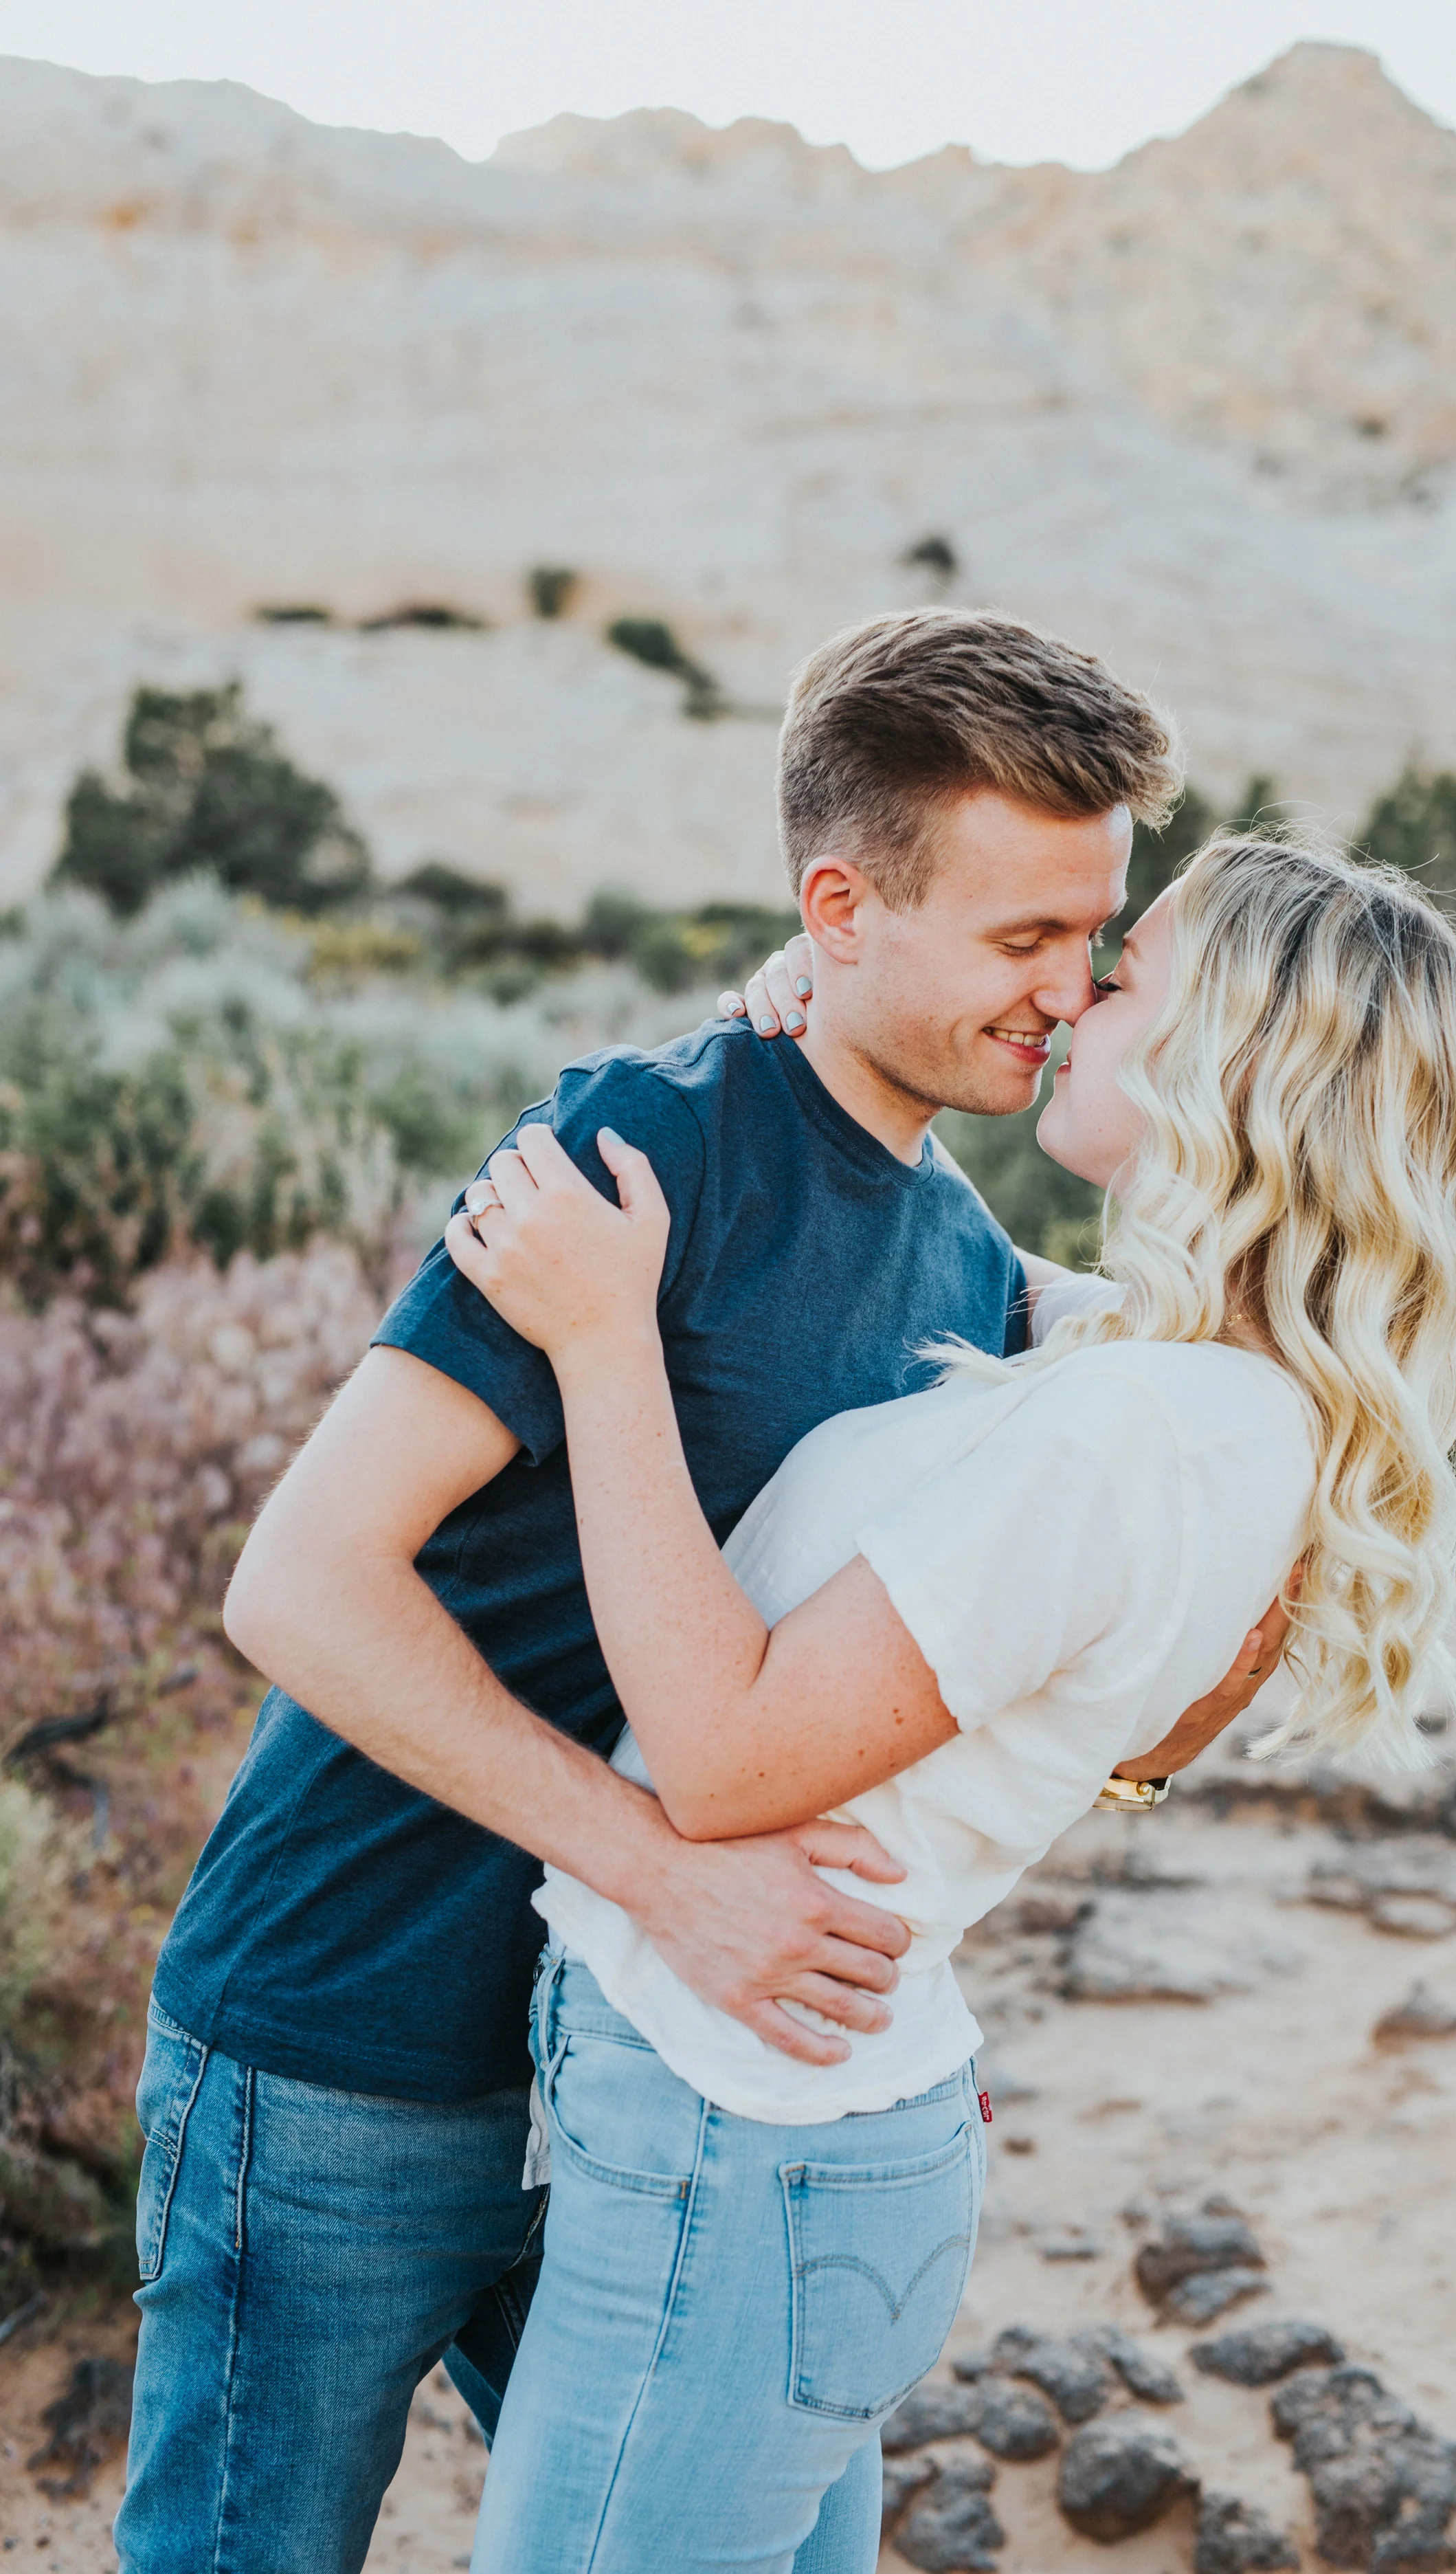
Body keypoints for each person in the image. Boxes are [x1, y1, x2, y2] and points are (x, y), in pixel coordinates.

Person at [115, 610, 1287, 2574]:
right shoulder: (643, 1149)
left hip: (649, 2098)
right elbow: (300, 1583)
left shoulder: (971, 1267)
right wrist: (669, 1867)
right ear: (841, 906)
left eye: (1092, 940)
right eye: (1017, 942)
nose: (1069, 995)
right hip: (340, 2049)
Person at [445, 826, 1456, 2573]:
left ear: (1226, 1059)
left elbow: (719, 1761)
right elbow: (977, 1286)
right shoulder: (1209, 1394)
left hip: (747, 2149)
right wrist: (829, 1050)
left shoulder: (1128, 1435)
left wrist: (598, 1335)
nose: (1076, 997)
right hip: (813, 2134)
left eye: (1127, 971)